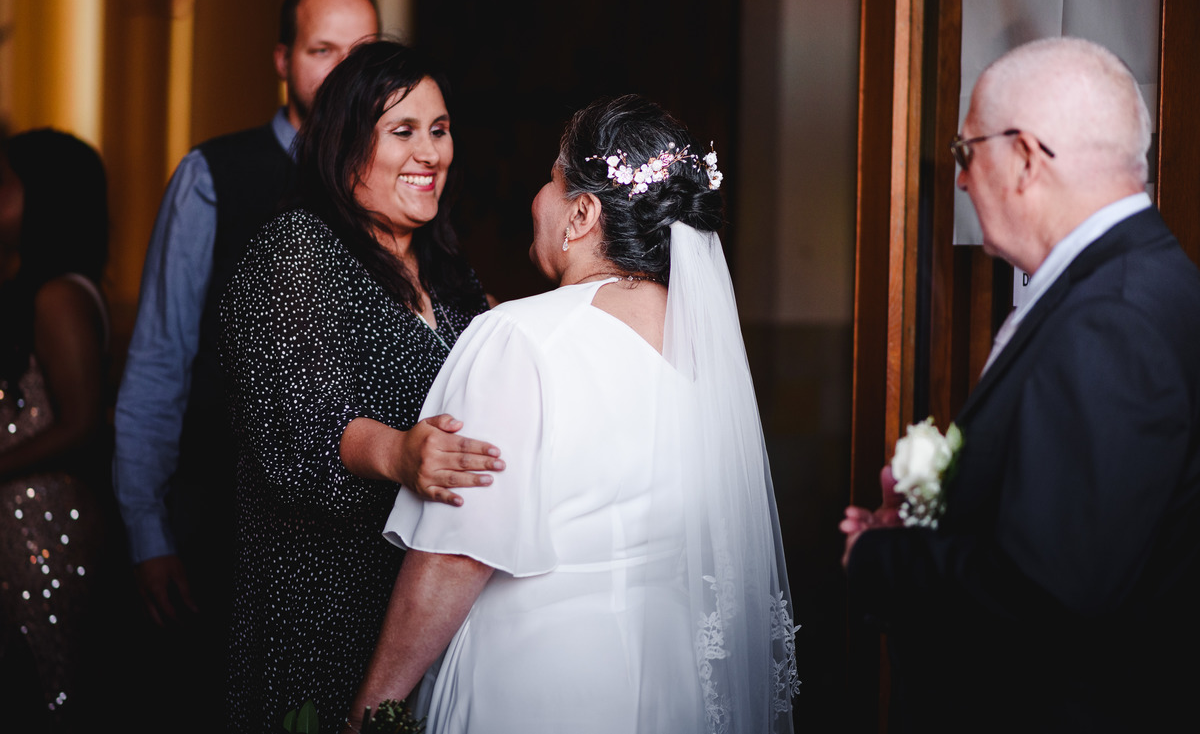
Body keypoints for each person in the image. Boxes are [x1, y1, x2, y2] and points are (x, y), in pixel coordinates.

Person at [348, 95, 800, 734]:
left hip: (536, 686)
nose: (539, 198)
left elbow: (456, 555)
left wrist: (371, 710)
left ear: (582, 213)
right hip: (672, 688)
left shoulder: (517, 335)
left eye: (551, 181)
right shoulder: (706, 350)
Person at [841, 37, 1200, 733]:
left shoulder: (1113, 322)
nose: (962, 181)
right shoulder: (1148, 285)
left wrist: (882, 559)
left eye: (965, 153)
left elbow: (1046, 594)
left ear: (1028, 158)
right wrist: (932, 520)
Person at [110, 0, 379, 723]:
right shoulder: (212, 176)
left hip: (357, 538)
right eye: (324, 50)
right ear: (282, 59)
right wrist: (147, 532)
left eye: (364, 51)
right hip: (219, 517)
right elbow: (160, 359)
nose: (345, 71)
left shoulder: (404, 177)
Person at [219, 39, 503, 733]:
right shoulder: (297, 250)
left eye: (439, 130)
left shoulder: (449, 274)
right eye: (403, 131)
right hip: (326, 604)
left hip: (432, 608)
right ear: (345, 145)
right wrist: (403, 454)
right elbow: (304, 422)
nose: (430, 153)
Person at [0, 129, 112, 731]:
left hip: (47, 520)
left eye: (3, 183)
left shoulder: (59, 295)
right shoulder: (37, 289)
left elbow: (81, 423)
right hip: (23, 518)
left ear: (44, 197)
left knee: (52, 690)